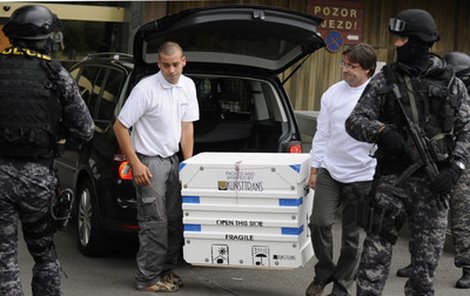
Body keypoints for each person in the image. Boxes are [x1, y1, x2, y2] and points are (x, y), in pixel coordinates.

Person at [345, 9, 470, 296]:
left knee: (425, 268)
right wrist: (383, 132)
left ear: (418, 42)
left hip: (435, 186)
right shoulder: (385, 80)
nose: (396, 45)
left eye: (402, 39)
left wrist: (456, 169)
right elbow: (354, 121)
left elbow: (467, 131)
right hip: (392, 183)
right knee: (374, 260)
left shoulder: (452, 84)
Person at [0, 5, 94, 296]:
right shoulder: (56, 75)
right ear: (44, 38)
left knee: (3, 257)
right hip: (38, 176)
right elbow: (86, 129)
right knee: (43, 252)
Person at [113, 41, 199, 293]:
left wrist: (188, 164)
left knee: (174, 221)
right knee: (155, 223)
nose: (171, 70)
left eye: (175, 64)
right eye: (165, 65)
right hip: (149, 163)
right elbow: (120, 126)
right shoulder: (145, 89)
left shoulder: (188, 86)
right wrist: (135, 163)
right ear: (158, 63)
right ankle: (147, 279)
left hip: (173, 161)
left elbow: (187, 128)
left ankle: (165, 271)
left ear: (183, 61)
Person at [305, 43, 377, 296]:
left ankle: (342, 284)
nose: (345, 70)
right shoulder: (332, 93)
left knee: (352, 237)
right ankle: (324, 271)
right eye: (344, 64)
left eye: (352, 66)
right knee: (318, 223)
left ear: (367, 69)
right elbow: (322, 133)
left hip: (364, 175)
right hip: (330, 170)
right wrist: (314, 168)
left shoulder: (378, 94)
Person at [395, 51, 470, 289]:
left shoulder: (461, 94)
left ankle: (467, 265)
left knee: (461, 217)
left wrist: (458, 163)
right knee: (421, 214)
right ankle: (418, 261)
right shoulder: (437, 92)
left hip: (461, 164)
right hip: (435, 159)